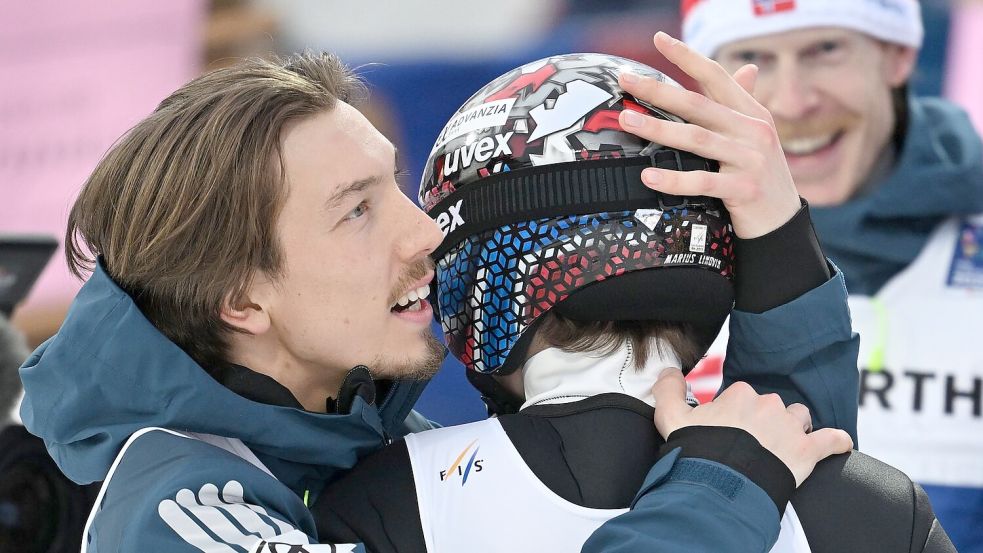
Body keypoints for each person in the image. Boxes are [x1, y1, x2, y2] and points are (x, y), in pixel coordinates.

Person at [21, 47, 852, 552]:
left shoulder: (354, 443)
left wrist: (774, 230)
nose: (427, 234)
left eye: (395, 187)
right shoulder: (180, 513)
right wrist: (718, 485)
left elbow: (779, 467)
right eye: (356, 210)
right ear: (241, 300)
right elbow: (728, 483)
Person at [312, 50, 953, 553]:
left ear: (470, 272)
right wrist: (781, 243)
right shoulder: (867, 501)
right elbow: (806, 459)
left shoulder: (386, 500)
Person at [680, 1, 983, 550]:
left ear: (897, 55)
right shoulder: (659, 270)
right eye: (753, 56)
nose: (793, 102)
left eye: (825, 50)